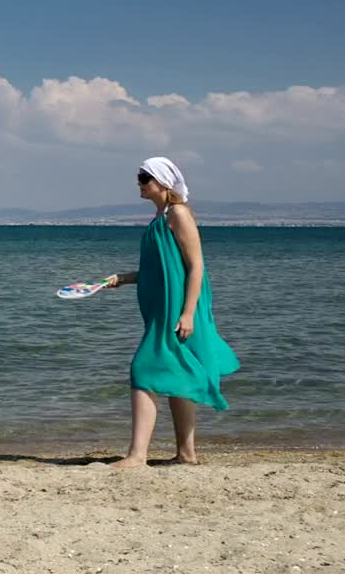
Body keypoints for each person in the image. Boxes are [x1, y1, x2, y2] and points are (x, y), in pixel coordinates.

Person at [103, 157, 240, 468]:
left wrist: (188, 312)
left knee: (143, 369)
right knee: (178, 374)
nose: (139, 183)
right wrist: (125, 278)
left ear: (163, 182)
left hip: (177, 309)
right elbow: (161, 268)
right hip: (160, 309)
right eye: (139, 177)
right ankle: (186, 454)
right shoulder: (159, 218)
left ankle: (137, 456)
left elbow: (196, 266)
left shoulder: (178, 214)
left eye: (144, 178)